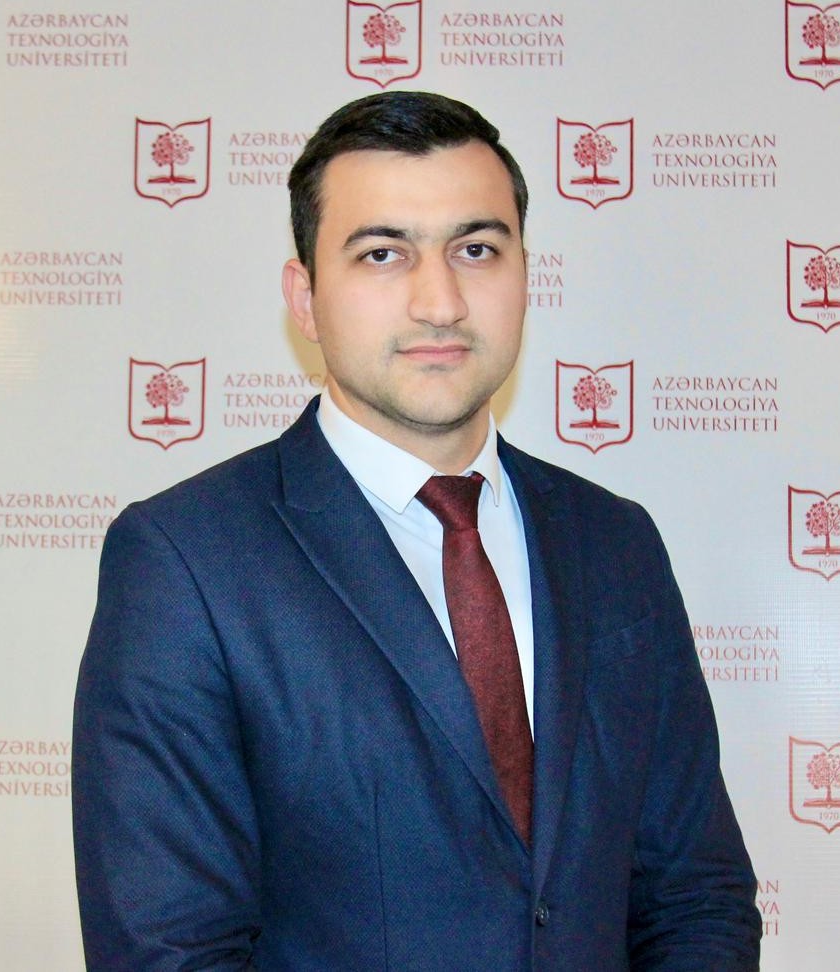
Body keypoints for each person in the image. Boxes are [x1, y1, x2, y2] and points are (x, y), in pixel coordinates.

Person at [72, 91, 761, 970]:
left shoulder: (616, 542)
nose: (441, 302)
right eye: (383, 253)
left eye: (476, 250)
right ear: (305, 298)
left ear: (525, 275)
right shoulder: (185, 563)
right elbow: (169, 951)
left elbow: (697, 898)